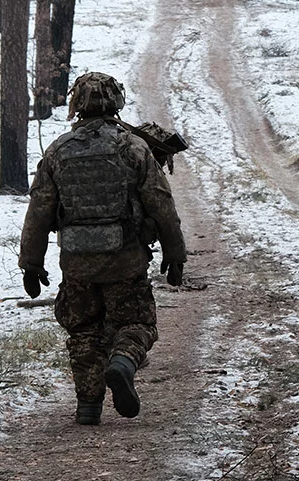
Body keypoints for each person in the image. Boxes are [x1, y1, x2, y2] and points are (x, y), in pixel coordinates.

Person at [18, 72, 187, 425]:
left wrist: (31, 263)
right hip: (125, 259)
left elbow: (39, 209)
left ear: (76, 105)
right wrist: (174, 252)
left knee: (84, 329)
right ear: (117, 102)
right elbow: (161, 204)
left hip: (76, 262)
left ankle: (88, 404)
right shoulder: (134, 148)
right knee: (136, 321)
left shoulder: (59, 151)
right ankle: (123, 361)